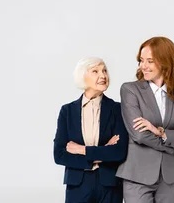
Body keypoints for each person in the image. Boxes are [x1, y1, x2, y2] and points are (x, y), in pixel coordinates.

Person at [116, 36, 174, 203]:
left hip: (168, 177)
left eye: (150, 61)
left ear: (165, 62)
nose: (143, 66)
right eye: (141, 60)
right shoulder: (130, 90)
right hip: (137, 175)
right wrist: (171, 137)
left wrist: (158, 131)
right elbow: (138, 135)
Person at [53, 57, 128, 203]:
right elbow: (60, 154)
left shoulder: (118, 109)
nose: (103, 76)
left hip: (109, 184)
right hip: (77, 184)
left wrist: (82, 150)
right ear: (83, 76)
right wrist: (102, 152)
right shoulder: (67, 111)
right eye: (95, 71)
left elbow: (119, 152)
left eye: (105, 70)